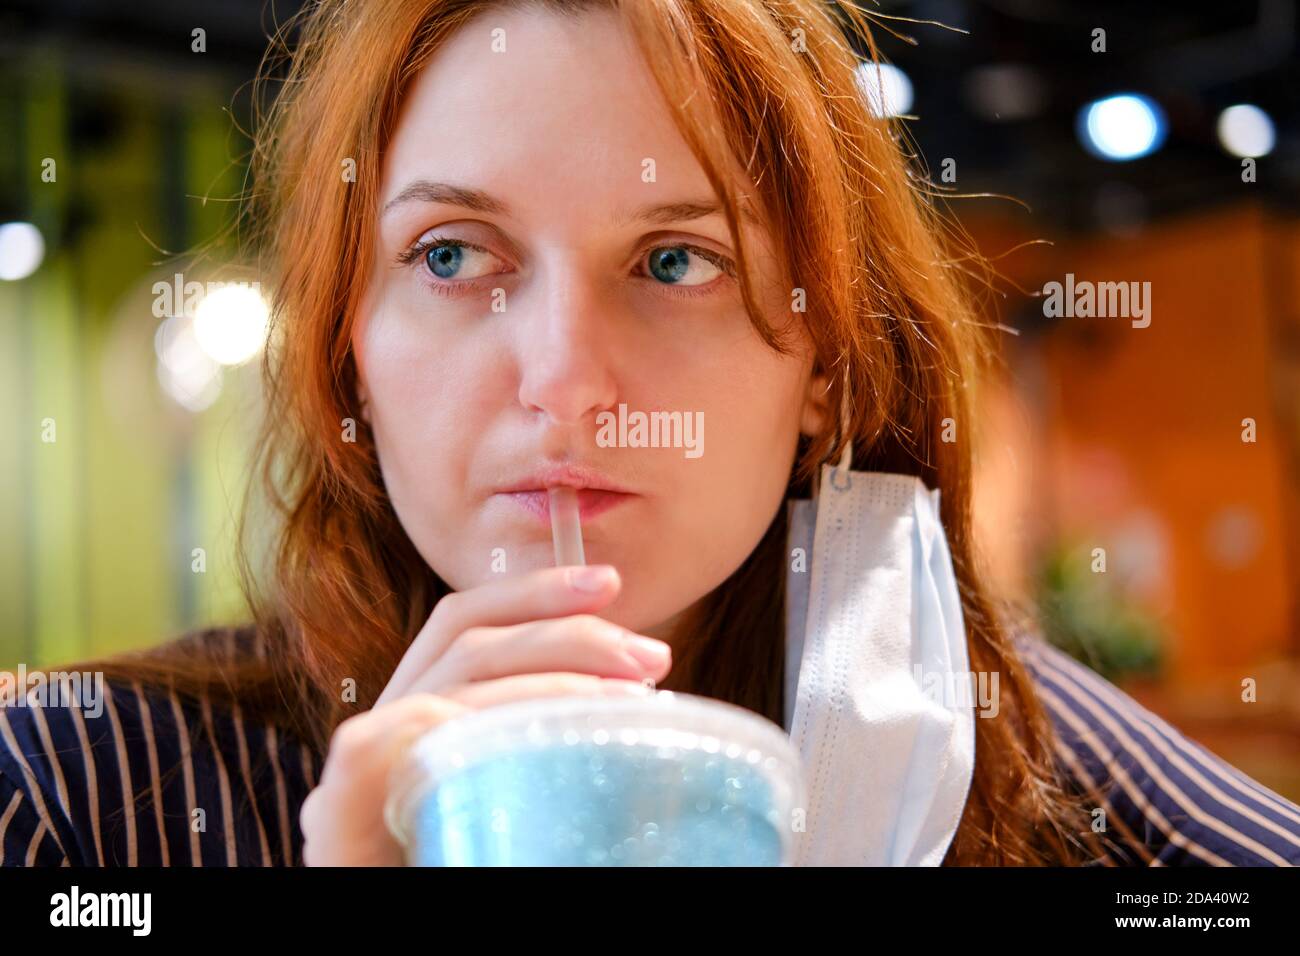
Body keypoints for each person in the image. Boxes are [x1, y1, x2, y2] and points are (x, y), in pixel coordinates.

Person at [3, 0, 1298, 867]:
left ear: (827, 372)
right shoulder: (74, 805)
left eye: (677, 261)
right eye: (452, 254)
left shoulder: (1067, 812)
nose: (565, 381)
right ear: (350, 342)